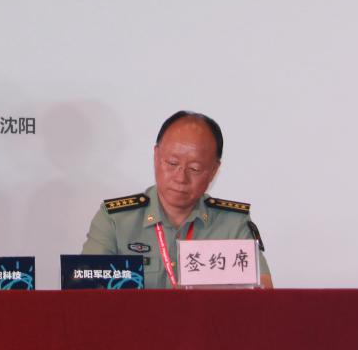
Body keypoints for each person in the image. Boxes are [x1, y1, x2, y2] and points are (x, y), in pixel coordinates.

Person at [82, 111, 272, 289]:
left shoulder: (234, 225)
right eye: (172, 163)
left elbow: (262, 290)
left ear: (214, 170)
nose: (181, 178)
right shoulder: (115, 220)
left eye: (194, 169)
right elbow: (86, 290)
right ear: (156, 156)